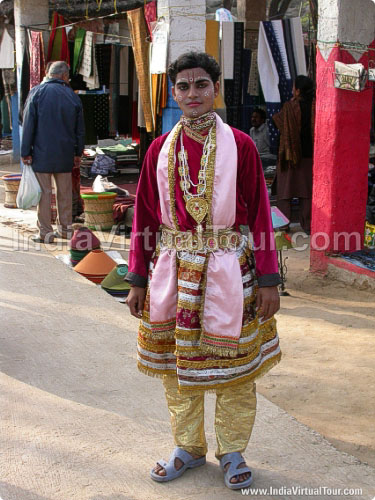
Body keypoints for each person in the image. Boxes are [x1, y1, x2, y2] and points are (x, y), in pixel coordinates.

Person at [125, 52, 281, 491]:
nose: (192, 94)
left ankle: (232, 449)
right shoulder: (159, 149)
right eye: (183, 86)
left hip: (231, 269)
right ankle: (187, 447)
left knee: (234, 367)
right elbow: (144, 218)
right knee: (179, 368)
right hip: (174, 272)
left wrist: (269, 280)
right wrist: (137, 278)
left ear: (216, 90)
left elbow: (262, 218)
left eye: (201, 85)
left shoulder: (241, 145)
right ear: (173, 94)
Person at [21, 61, 85, 243]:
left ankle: (45, 234)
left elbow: (28, 124)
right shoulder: (72, 97)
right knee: (64, 193)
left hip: (41, 153)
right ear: (65, 76)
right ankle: (65, 230)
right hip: (64, 154)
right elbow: (80, 130)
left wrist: (26, 151)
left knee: (44, 193)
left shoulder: (37, 92)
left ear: (49, 74)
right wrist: (77, 153)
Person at [273, 75, 315, 234]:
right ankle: (309, 225)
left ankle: (282, 225)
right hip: (309, 156)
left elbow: (279, 124)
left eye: (294, 87)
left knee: (284, 192)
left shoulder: (290, 107)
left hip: (289, 156)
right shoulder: (315, 107)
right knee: (307, 193)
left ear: (297, 90)